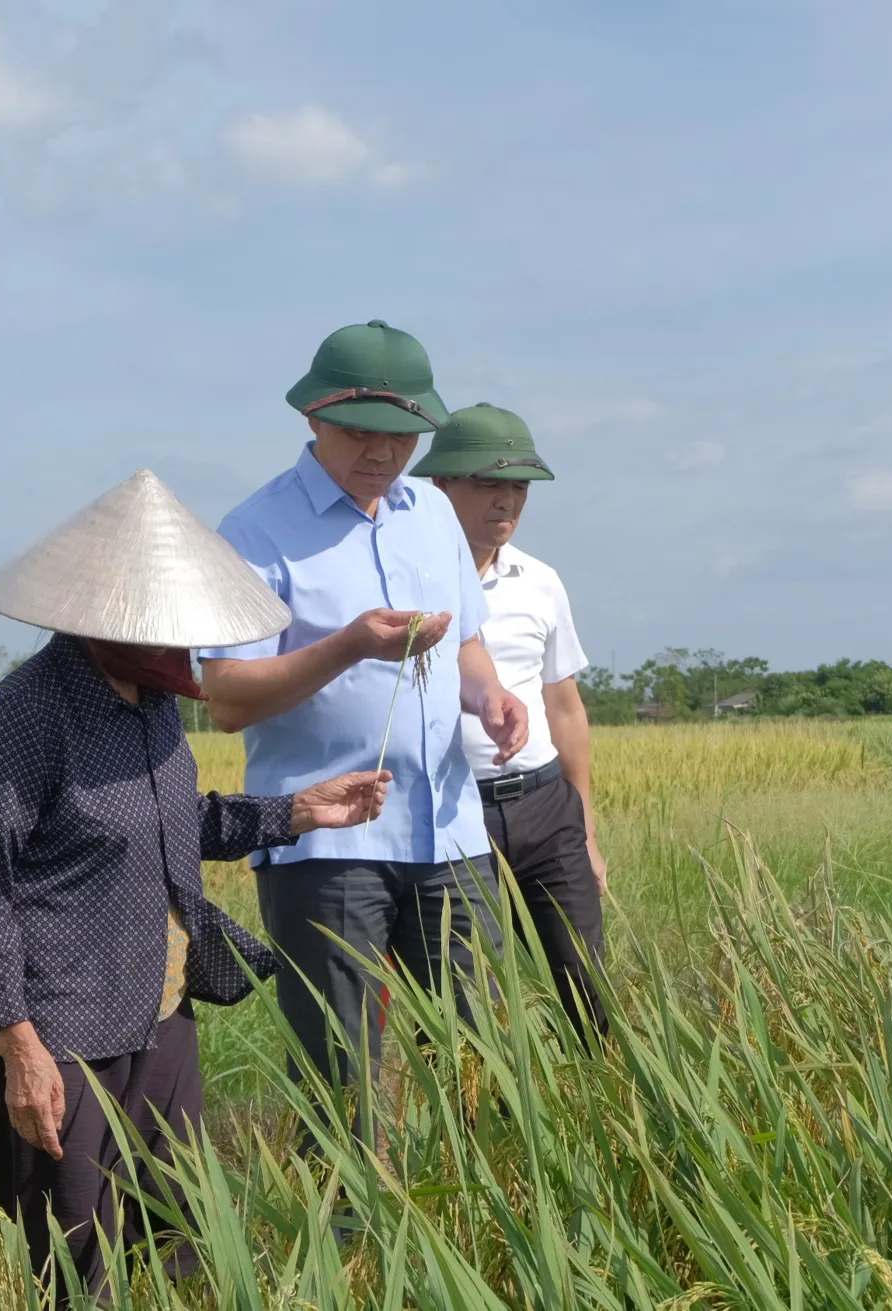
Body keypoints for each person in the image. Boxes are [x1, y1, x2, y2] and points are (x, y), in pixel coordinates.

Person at [0, 469, 391, 1292]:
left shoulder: (150, 702)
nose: (186, 644)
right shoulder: (32, 711)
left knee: (174, 1244)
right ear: (108, 617)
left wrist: (296, 813)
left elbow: (176, 825)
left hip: (163, 1018)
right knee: (80, 1268)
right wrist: (19, 1044)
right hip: (65, 1036)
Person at [197, 320, 529, 1138]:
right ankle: (345, 1245)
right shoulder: (255, 531)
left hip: (451, 834)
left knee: (477, 1053)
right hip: (327, 843)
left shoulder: (430, 518)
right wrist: (348, 645)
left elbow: (470, 645)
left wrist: (488, 697)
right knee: (340, 1071)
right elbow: (227, 695)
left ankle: (474, 1222)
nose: (381, 454)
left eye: (402, 436)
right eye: (359, 432)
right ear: (312, 418)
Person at [413, 403, 609, 1043]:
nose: (507, 501)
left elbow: (565, 707)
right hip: (447, 813)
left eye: (518, 487)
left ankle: (608, 1120)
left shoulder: (541, 581)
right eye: (488, 484)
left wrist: (586, 830)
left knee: (590, 992)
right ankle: (476, 1138)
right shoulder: (405, 580)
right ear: (441, 485)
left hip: (545, 808)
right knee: (466, 1010)